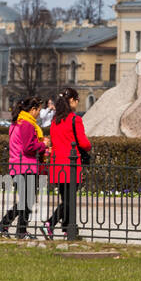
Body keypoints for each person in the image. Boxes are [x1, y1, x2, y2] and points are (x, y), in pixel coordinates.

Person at [0, 96, 48, 239]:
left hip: (18, 166)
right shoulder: (27, 124)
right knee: (28, 200)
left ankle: (8, 226)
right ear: (32, 110)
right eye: (38, 110)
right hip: (26, 166)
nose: (39, 113)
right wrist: (44, 145)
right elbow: (28, 147)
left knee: (26, 200)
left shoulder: (17, 123)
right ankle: (16, 229)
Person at [44, 88, 92, 239]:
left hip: (57, 164)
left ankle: (68, 229)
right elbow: (84, 143)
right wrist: (89, 146)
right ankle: (49, 224)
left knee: (66, 199)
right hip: (70, 165)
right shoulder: (74, 119)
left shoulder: (55, 120)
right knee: (69, 200)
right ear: (72, 101)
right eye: (77, 100)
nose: (77, 103)